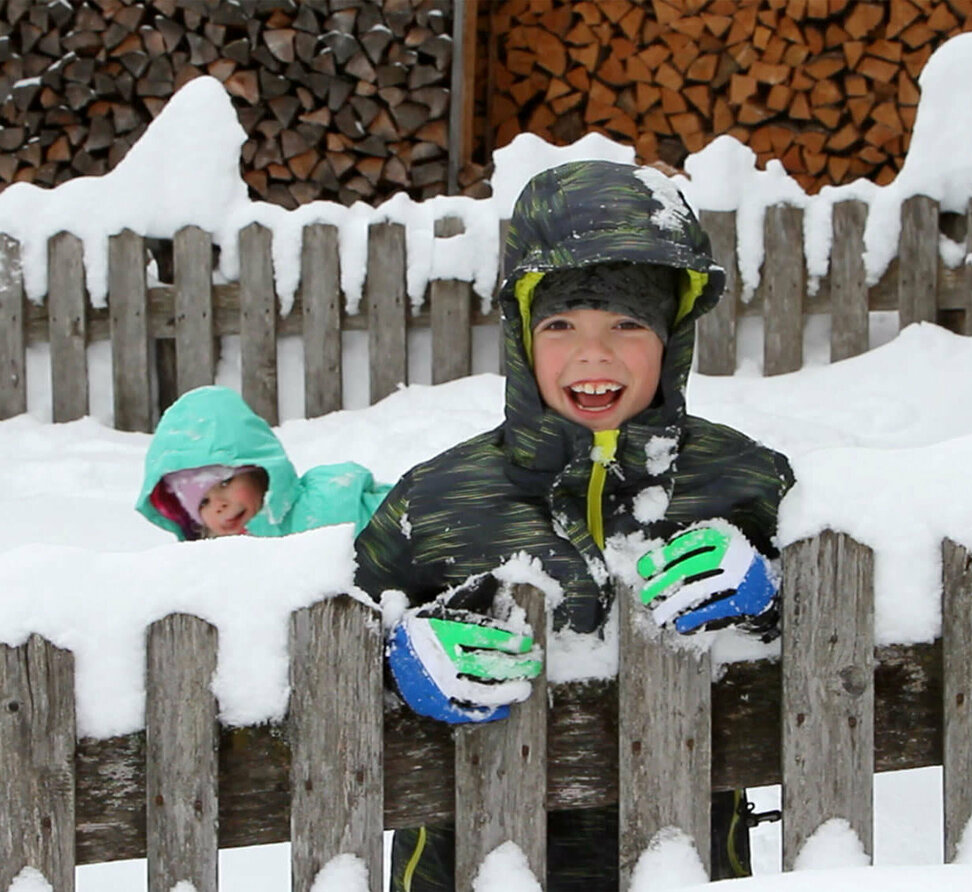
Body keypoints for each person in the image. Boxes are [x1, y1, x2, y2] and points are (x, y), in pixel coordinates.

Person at [354, 159, 795, 890]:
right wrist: (396, 661)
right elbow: (320, 644)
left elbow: (863, 636)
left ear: (673, 337)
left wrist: (775, 595)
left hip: (683, 861)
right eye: (561, 323)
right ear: (523, 335)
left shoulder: (744, 481)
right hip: (469, 868)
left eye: (628, 323)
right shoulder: (436, 499)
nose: (595, 354)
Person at [137, 385, 391, 541]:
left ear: (259, 471)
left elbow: (402, 514)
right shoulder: (214, 562)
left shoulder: (324, 504)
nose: (219, 505)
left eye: (225, 482)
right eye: (202, 502)